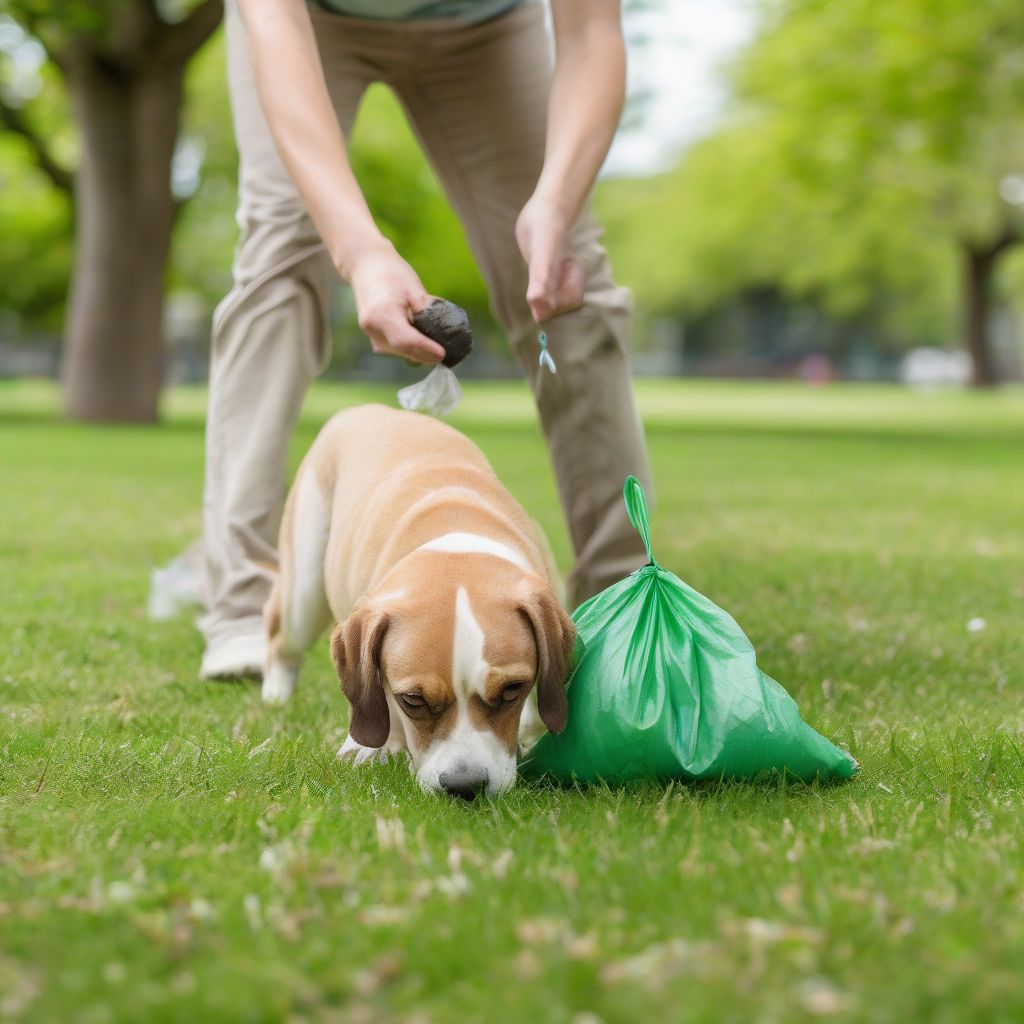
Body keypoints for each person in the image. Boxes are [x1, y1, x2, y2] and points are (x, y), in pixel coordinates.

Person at [198, 0, 654, 679]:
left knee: (567, 281)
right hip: (312, 23)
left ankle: (624, 599)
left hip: (487, 26)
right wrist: (360, 251)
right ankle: (242, 605)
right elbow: (273, 23)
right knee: (281, 257)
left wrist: (555, 201)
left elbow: (592, 35)